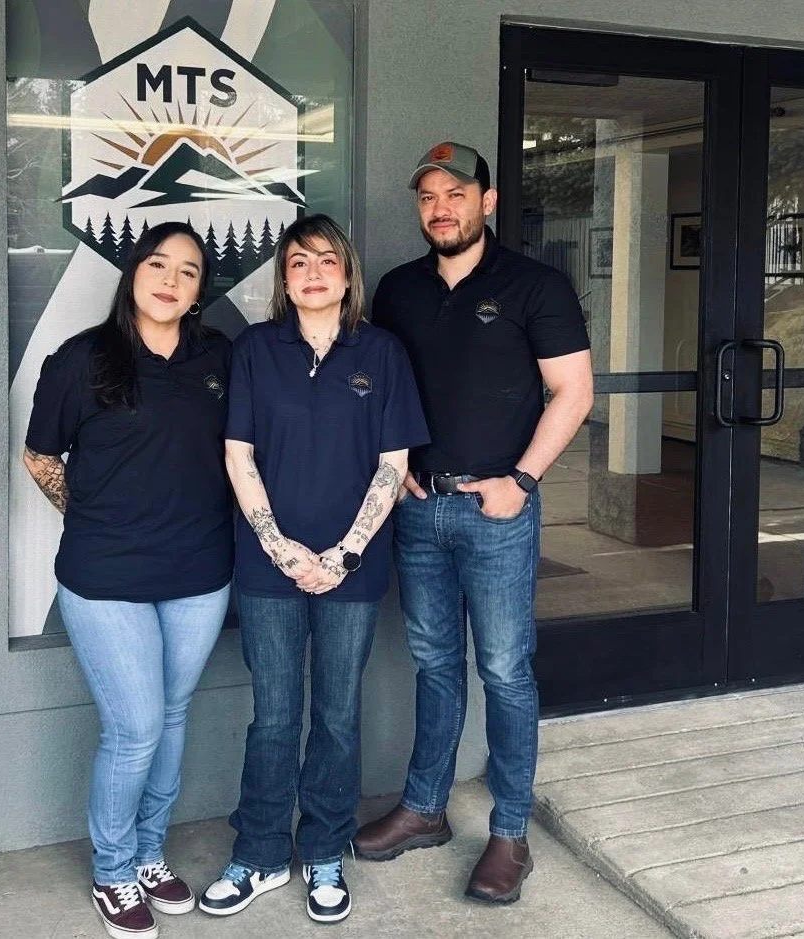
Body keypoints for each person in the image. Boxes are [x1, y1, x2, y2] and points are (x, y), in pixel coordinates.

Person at [354, 141, 593, 903]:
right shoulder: (395, 290)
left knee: (503, 669)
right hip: (420, 510)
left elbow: (572, 392)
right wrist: (390, 481)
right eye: (427, 196)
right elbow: (376, 392)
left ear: (486, 201)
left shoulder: (535, 285)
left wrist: (520, 482)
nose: (440, 208)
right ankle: (425, 808)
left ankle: (510, 831)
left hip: (498, 514)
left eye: (455, 193)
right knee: (433, 663)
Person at [198, 214, 429, 925]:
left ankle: (323, 848)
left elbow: (394, 465)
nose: (313, 271)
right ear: (283, 277)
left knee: (334, 714)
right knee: (273, 715)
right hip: (269, 568)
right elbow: (239, 454)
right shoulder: (254, 350)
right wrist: (279, 546)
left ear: (347, 273)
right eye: (298, 261)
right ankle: (261, 851)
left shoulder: (382, 352)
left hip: (352, 572)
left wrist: (344, 553)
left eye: (327, 259)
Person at [24, 220, 233, 939]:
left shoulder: (218, 358)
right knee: (135, 726)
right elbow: (40, 456)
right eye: (158, 263)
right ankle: (111, 869)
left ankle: (148, 852)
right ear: (133, 271)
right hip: (105, 573)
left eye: (188, 270)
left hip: (200, 570)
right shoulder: (81, 360)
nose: (170, 278)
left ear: (200, 289)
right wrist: (92, 517)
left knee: (171, 714)